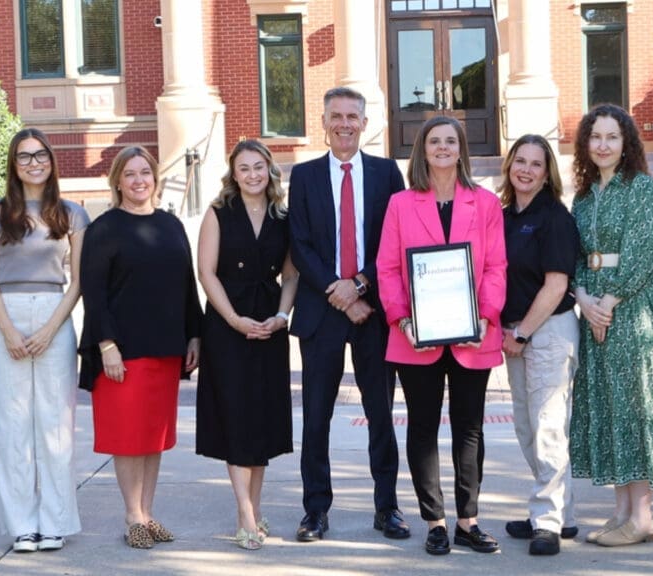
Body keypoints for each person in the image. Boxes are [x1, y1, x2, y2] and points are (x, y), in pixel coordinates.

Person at [377, 115, 507, 556]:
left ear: (461, 149)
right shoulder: (401, 204)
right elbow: (388, 269)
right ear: (423, 149)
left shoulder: (485, 204)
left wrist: (487, 317)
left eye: (451, 141)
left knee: (469, 429)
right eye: (435, 141)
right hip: (418, 336)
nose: (444, 147)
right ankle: (435, 521)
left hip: (474, 335)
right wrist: (404, 320)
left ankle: (468, 520)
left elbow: (496, 267)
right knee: (423, 428)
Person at [287, 86, 409, 542]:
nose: (344, 124)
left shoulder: (385, 173)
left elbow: (395, 241)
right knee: (316, 417)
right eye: (335, 115)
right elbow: (299, 244)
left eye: (352, 116)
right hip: (321, 313)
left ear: (364, 122)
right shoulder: (303, 177)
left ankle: (388, 509)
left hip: (373, 313)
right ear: (323, 122)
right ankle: (315, 511)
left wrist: (360, 286)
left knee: (381, 413)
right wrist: (337, 291)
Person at [569, 103, 653, 547]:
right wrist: (584, 298)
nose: (602, 145)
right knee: (608, 405)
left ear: (626, 143)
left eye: (612, 137)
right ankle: (620, 511)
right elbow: (575, 256)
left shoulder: (641, 189)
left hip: (632, 310)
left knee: (635, 405)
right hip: (592, 304)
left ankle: (642, 516)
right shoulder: (582, 196)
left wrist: (608, 303)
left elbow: (643, 253)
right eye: (595, 137)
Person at [78, 146, 202, 549]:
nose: (138, 180)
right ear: (117, 181)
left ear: (154, 177)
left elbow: (187, 284)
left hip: (166, 346)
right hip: (122, 350)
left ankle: (148, 513)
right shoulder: (104, 228)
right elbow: (93, 293)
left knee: (154, 435)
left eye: (144, 172)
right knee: (127, 436)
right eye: (129, 174)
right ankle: (132, 515)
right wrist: (107, 344)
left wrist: (194, 334)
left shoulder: (170, 225)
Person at [0, 128, 88, 552]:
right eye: (24, 157)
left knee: (55, 425)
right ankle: (23, 524)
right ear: (13, 164)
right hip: (6, 313)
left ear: (51, 160)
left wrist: (49, 330)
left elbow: (78, 281)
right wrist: (6, 328)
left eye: (40, 155)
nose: (33, 163)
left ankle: (53, 522)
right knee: (11, 426)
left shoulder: (72, 214)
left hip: (54, 315)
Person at [195, 139, 298, 550]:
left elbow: (290, 275)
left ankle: (253, 510)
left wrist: (281, 316)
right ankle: (246, 515)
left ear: (269, 170)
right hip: (227, 324)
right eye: (244, 168)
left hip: (269, 325)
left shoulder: (282, 216)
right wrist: (235, 320)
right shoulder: (219, 213)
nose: (253, 174)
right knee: (236, 419)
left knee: (261, 420)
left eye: (259, 167)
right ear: (233, 174)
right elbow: (206, 273)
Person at [498, 134, 581, 556]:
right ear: (509, 166)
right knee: (527, 428)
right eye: (520, 161)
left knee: (548, 427)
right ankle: (560, 514)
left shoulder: (555, 218)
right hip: (515, 334)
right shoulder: (503, 215)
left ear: (547, 173)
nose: (526, 170)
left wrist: (522, 333)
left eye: (535, 163)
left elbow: (556, 285)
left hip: (547, 332)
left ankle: (546, 521)